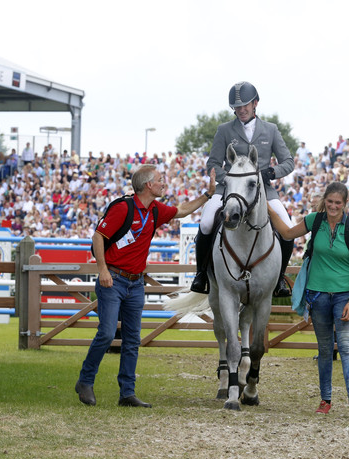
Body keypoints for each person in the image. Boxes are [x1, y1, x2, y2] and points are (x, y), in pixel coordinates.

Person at [75, 164, 216, 408]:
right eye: (160, 180)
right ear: (149, 185)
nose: (164, 183)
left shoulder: (154, 209)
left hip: (135, 283)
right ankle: (85, 381)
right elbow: (99, 236)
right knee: (107, 333)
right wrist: (103, 270)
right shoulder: (123, 208)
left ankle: (127, 393)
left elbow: (181, 210)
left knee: (132, 340)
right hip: (114, 280)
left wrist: (208, 194)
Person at [269, 182, 349, 417]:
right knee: (324, 350)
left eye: (338, 203)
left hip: (345, 296)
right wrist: (269, 210)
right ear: (325, 200)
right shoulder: (315, 220)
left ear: (345, 204)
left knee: (345, 347)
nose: (333, 206)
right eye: (330, 202)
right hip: (318, 295)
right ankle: (326, 400)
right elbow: (287, 233)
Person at [190, 81, 295, 297]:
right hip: (228, 190)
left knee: (288, 226)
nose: (242, 110)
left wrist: (271, 173)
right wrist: (231, 179)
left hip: (262, 190)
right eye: (237, 107)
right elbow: (213, 164)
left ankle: (280, 278)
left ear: (255, 103)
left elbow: (288, 162)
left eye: (245, 105)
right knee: (207, 221)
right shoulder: (224, 130)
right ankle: (201, 274)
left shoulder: (271, 130)